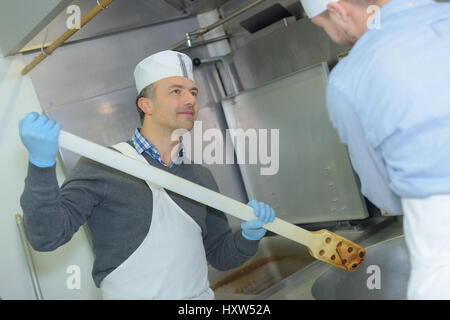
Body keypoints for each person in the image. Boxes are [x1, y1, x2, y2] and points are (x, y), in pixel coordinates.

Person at [18, 50, 276, 300]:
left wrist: (248, 235)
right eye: (176, 91)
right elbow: (46, 237)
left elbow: (221, 256)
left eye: (193, 92)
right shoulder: (103, 166)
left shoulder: (200, 176)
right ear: (146, 105)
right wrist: (41, 165)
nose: (190, 100)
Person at [299, 0, 450, 299]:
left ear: (340, 10)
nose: (331, 35)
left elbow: (386, 196)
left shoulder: (349, 78)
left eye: (325, 26)